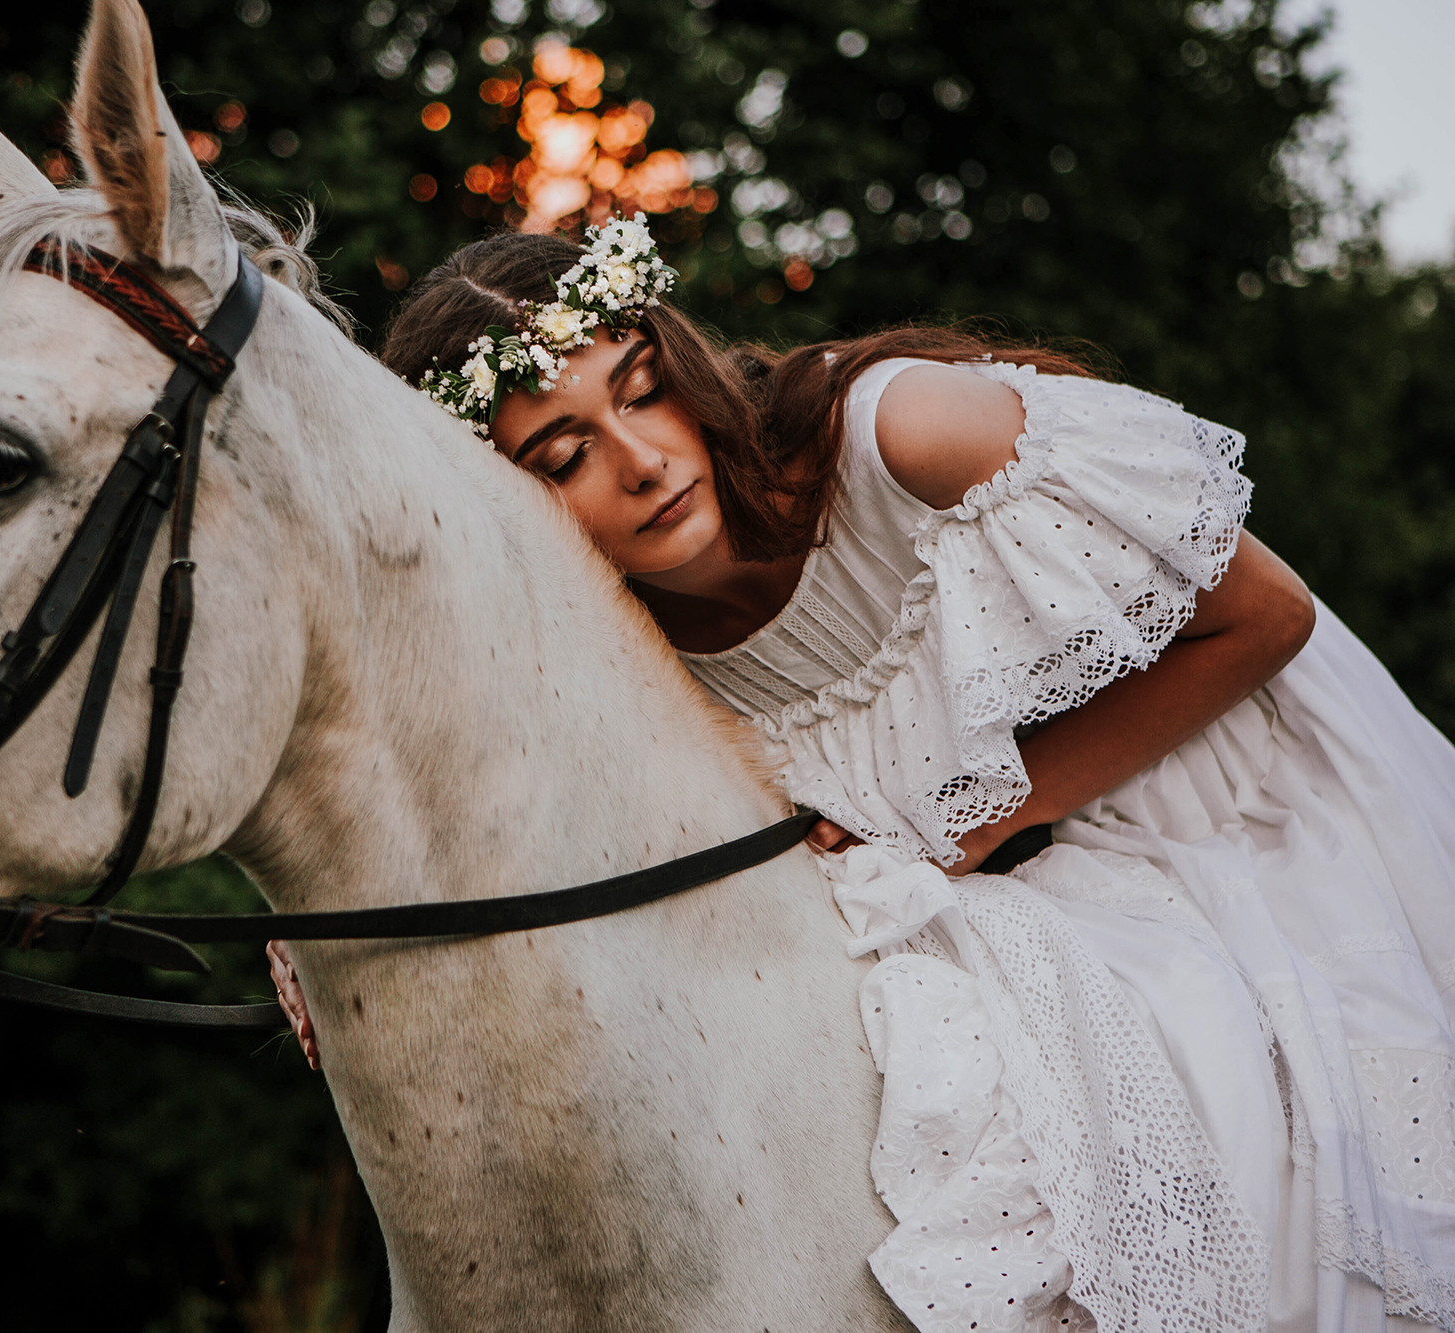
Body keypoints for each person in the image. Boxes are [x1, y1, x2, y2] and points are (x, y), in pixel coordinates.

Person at [269, 217, 1455, 1330]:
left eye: (642, 391)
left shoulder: (906, 435)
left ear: (679, 360)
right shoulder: (585, 640)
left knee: (1225, 1069)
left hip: (1216, 789)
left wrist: (982, 821)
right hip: (977, 897)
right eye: (564, 452)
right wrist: (316, 937)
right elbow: (413, 775)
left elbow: (1264, 619)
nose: (639, 461)